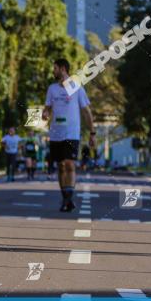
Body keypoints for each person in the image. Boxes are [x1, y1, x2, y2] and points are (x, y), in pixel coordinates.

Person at [43, 58, 95, 212]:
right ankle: (66, 197)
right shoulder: (52, 89)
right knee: (60, 166)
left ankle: (67, 199)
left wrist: (92, 133)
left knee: (69, 164)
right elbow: (47, 108)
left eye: (55, 68)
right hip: (55, 134)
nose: (53, 71)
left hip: (72, 133)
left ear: (63, 69)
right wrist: (45, 114)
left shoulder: (76, 86)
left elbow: (86, 111)